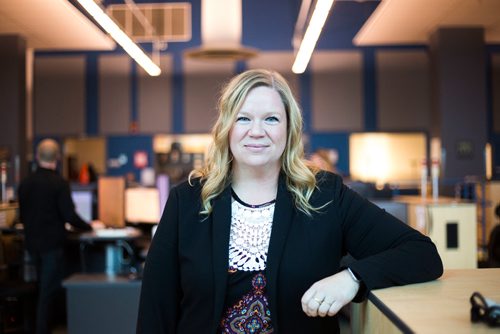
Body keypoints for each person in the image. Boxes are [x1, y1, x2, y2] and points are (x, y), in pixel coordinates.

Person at [137, 69, 443, 334]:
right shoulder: (187, 201)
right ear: (227, 128)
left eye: (271, 118)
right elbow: (156, 311)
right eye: (244, 118)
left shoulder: (325, 195)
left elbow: (421, 254)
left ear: (289, 129)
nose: (256, 131)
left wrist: (352, 279)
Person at [18, 139, 95, 334]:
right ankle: (42, 330)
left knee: (36, 290)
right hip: (52, 246)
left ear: (37, 157)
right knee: (48, 292)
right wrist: (89, 226)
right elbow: (69, 215)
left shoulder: (25, 184)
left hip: (31, 246)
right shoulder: (59, 183)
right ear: (57, 159)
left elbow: (23, 215)